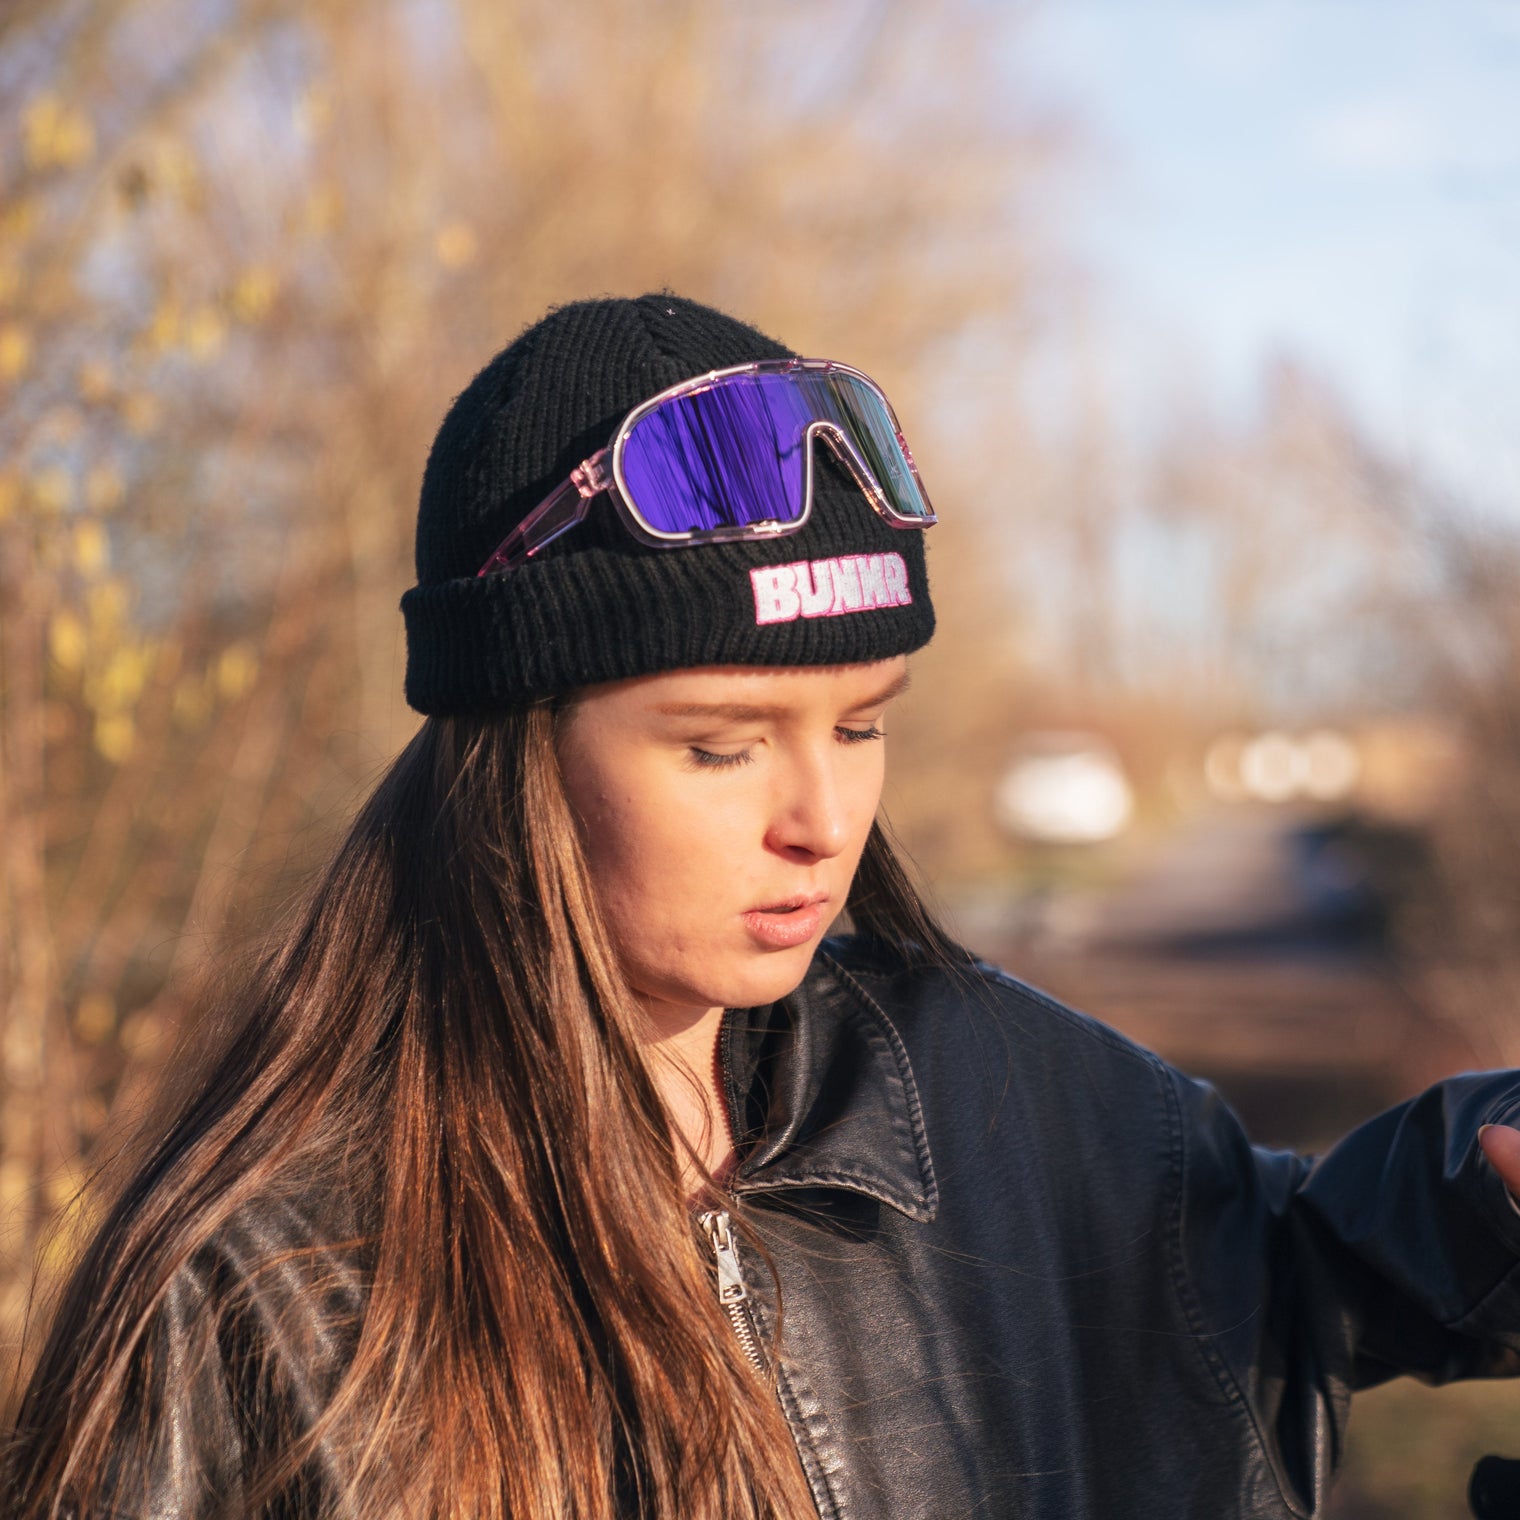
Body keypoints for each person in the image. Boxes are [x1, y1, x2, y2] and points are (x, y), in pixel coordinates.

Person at [8, 292, 1520, 1520]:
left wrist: (1483, 1199)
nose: (823, 823)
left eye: (863, 725)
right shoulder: (264, 1290)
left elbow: (1284, 1273)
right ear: (512, 756)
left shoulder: (997, 1090)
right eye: (721, 746)